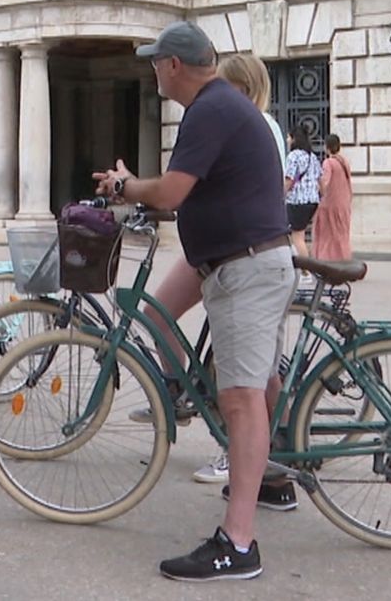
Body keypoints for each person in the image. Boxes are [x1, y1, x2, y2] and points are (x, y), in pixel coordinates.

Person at [93, 21, 294, 583]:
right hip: (234, 259)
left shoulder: (210, 109)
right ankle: (269, 477)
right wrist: (141, 187)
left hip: (244, 266)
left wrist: (125, 187)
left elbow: (174, 191)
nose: (153, 69)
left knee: (241, 399)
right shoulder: (218, 107)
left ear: (174, 65)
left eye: (156, 61)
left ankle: (238, 544)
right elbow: (191, 190)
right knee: (240, 377)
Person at [137, 50, 284, 488]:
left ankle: (243, 460)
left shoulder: (241, 119)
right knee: (160, 313)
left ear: (240, 88)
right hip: (216, 251)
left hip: (241, 255)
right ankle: (180, 390)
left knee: (243, 382)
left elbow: (179, 189)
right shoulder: (222, 115)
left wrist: (136, 190)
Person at [312, 135, 352, 260]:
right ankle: (343, 258)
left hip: (330, 205)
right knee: (342, 234)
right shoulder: (344, 162)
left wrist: (317, 190)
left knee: (327, 235)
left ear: (327, 147)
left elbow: (325, 182)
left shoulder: (328, 162)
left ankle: (327, 259)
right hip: (344, 203)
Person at [284, 125, 321, 258]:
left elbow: (289, 179)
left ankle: (306, 271)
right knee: (301, 235)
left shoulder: (293, 156)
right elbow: (320, 180)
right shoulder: (312, 157)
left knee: (297, 237)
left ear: (294, 139)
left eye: (289, 137)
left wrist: (280, 195)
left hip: (297, 201)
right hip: (312, 200)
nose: (287, 140)